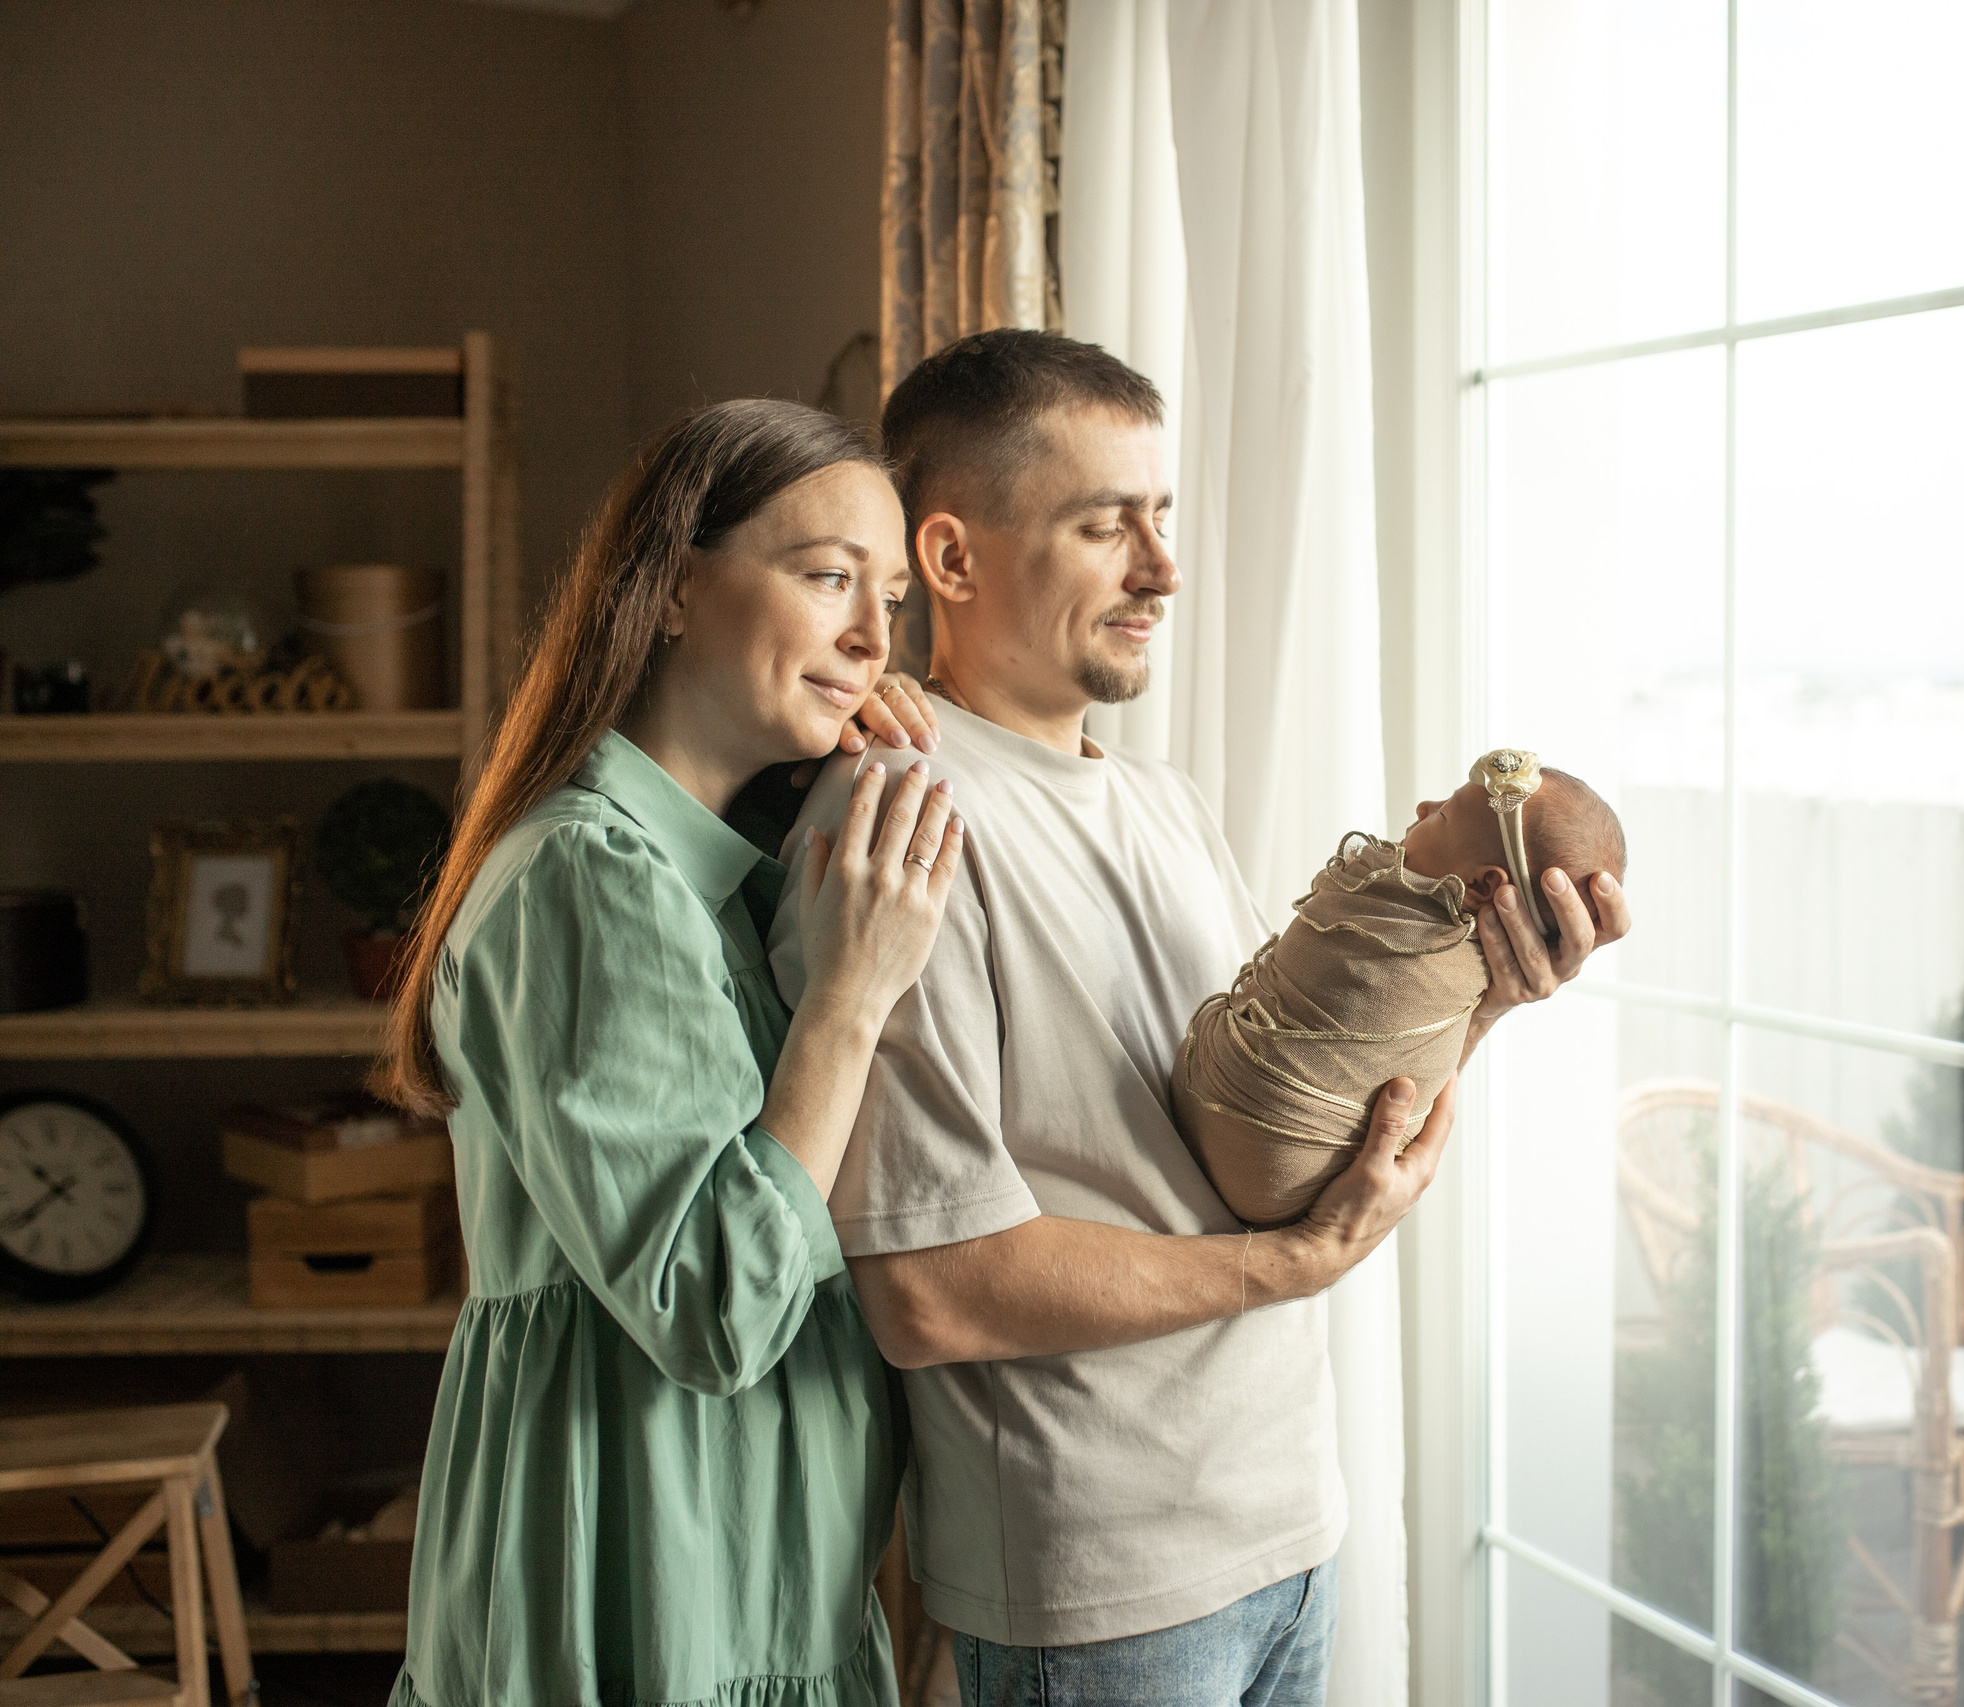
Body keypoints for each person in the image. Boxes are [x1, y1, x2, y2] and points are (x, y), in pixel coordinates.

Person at [767, 330, 1632, 1705]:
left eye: (1162, 519)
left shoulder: (1165, 801)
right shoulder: (899, 821)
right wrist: (1293, 1268)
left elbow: (1269, 1131)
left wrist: (1476, 994)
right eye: (1107, 525)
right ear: (951, 558)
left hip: (1290, 1525)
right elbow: (929, 1288)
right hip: (1098, 1586)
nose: (1162, 569)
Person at [376, 399, 962, 1707]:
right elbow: (714, 1299)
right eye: (827, 578)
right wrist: (850, 1001)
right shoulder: (588, 873)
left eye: (891, 599)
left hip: (755, 1575)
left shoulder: (742, 882)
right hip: (640, 1582)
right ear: (678, 586)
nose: (874, 639)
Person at [1177, 752, 1628, 1225]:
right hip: (1266, 1182)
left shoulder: (1406, 926)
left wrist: (1488, 1008)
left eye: (1444, 814)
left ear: (1481, 884)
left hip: (1252, 1140)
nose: (1423, 807)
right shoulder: (1436, 947)